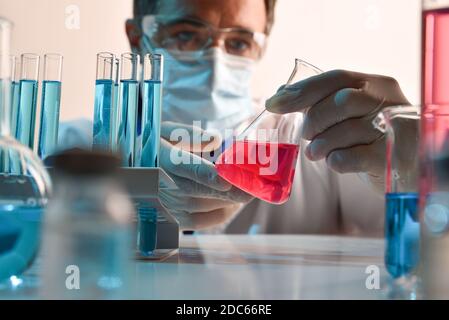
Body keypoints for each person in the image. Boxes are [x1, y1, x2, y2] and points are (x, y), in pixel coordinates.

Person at [64, 0, 411, 235]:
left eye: (239, 42)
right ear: (138, 39)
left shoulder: (319, 142)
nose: (215, 62)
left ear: (261, 46)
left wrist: (416, 170)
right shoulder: (72, 149)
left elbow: (429, 247)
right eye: (186, 35)